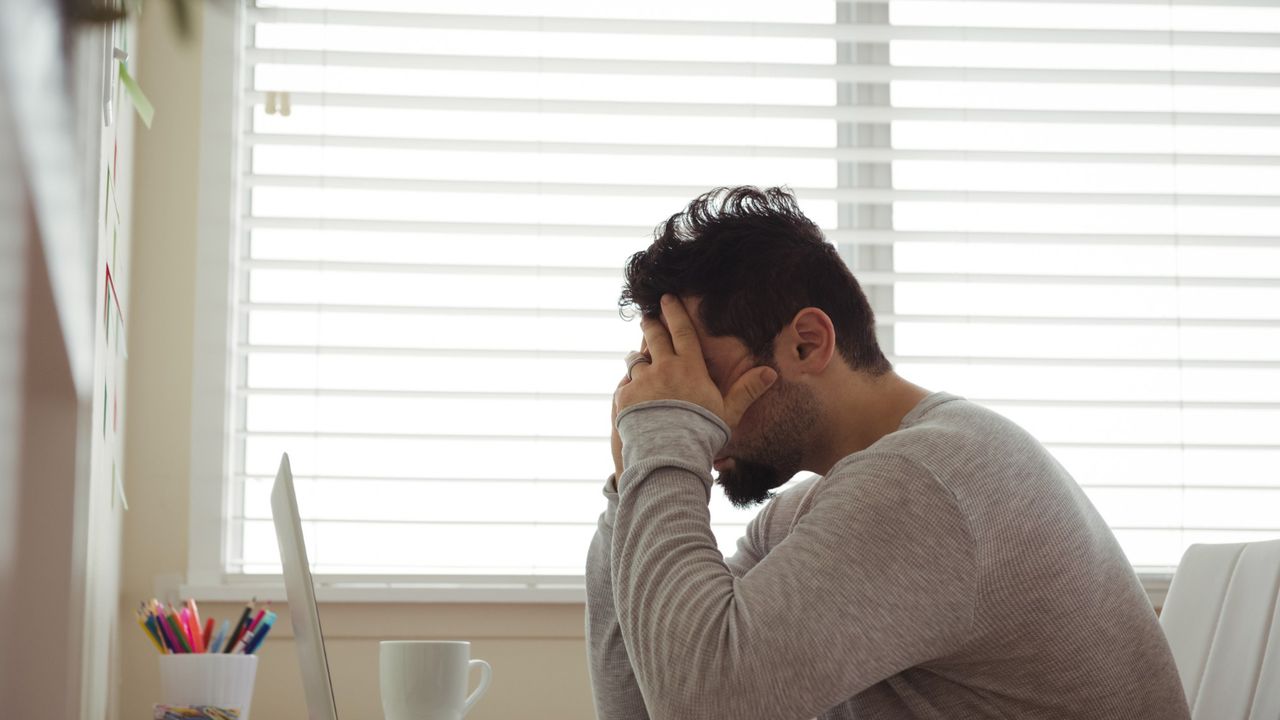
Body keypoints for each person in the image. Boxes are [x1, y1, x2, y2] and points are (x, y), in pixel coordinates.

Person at [584, 186, 1190, 720]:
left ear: (806, 344)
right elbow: (654, 698)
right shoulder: (821, 511)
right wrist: (633, 478)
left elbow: (701, 706)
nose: (698, 413)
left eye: (703, 377)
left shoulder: (926, 483)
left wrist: (666, 440)